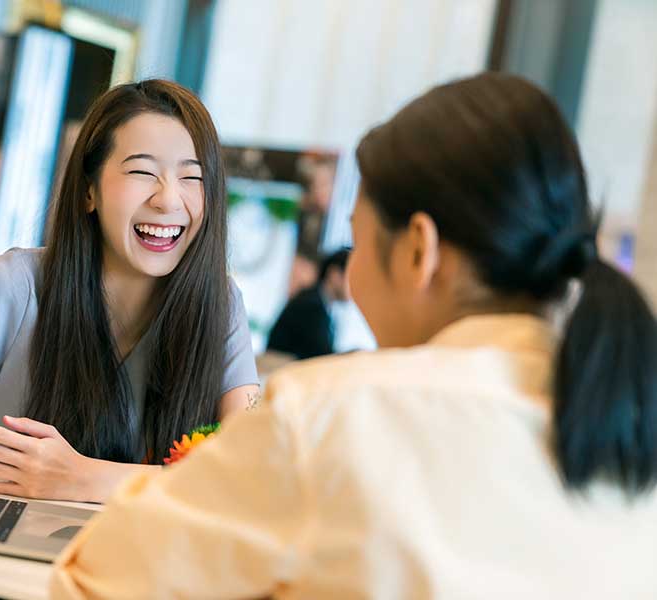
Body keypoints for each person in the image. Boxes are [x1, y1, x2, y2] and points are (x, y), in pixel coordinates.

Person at [48, 73, 657, 599]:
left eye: (360, 240)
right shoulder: (625, 417)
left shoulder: (330, 418)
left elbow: (94, 579)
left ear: (420, 250)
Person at [0, 79, 260, 505]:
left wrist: (84, 477)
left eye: (192, 177)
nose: (168, 199)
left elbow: (242, 478)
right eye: (142, 172)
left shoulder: (221, 308)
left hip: (121, 565)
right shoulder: (17, 285)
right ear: (89, 190)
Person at [266, 248, 350, 359]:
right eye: (350, 279)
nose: (354, 288)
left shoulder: (320, 305)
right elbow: (322, 355)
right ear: (334, 274)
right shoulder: (311, 306)